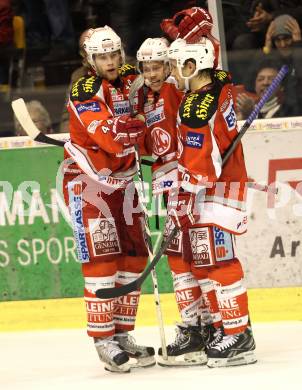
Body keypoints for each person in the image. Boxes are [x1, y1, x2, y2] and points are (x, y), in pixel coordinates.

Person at [62, 26, 155, 373]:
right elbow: (111, 139)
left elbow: (162, 90)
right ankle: (103, 339)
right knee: (102, 259)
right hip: (89, 183)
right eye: (103, 56)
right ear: (90, 59)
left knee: (134, 256)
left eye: (115, 54)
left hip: (126, 182)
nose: (112, 61)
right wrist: (126, 130)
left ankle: (123, 333)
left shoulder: (131, 77)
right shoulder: (84, 89)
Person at [167, 37, 257, 368]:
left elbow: (203, 162)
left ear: (192, 66)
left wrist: (185, 192)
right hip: (222, 188)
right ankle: (225, 326)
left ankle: (239, 335)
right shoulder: (220, 85)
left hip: (213, 192)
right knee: (210, 261)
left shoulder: (195, 107)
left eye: (178, 64)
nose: (173, 71)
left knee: (220, 262)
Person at [137, 36, 224, 367]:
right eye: (146, 67)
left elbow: (210, 74)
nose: (153, 72)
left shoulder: (178, 87)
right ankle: (195, 326)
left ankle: (207, 325)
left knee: (196, 255)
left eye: (160, 65)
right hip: (166, 182)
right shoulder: (144, 93)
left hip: (187, 180)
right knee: (178, 257)